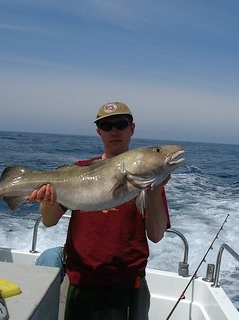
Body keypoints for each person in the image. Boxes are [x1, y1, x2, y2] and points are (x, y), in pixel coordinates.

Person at [29, 102, 171, 320]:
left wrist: (154, 190)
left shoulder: (150, 181)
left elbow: (156, 235)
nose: (114, 131)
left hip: (128, 285)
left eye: (121, 124)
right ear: (99, 132)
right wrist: (47, 200)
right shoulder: (79, 171)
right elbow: (49, 221)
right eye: (106, 125)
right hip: (80, 280)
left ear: (132, 128)